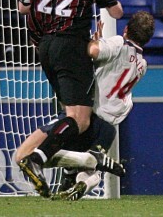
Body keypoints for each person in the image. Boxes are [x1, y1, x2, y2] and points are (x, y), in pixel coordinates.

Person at [15, 0, 124, 197]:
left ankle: (70, 168)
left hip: (44, 47)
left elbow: (22, 7)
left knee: (72, 115)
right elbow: (116, 12)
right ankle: (37, 159)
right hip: (72, 46)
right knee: (79, 118)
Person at [15, 12, 155, 200]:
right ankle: (84, 177)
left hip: (89, 115)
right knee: (86, 171)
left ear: (126, 29)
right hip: (108, 126)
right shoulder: (142, 65)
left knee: (24, 155)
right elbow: (112, 70)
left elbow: (93, 52)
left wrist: (94, 43)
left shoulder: (119, 43)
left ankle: (88, 160)